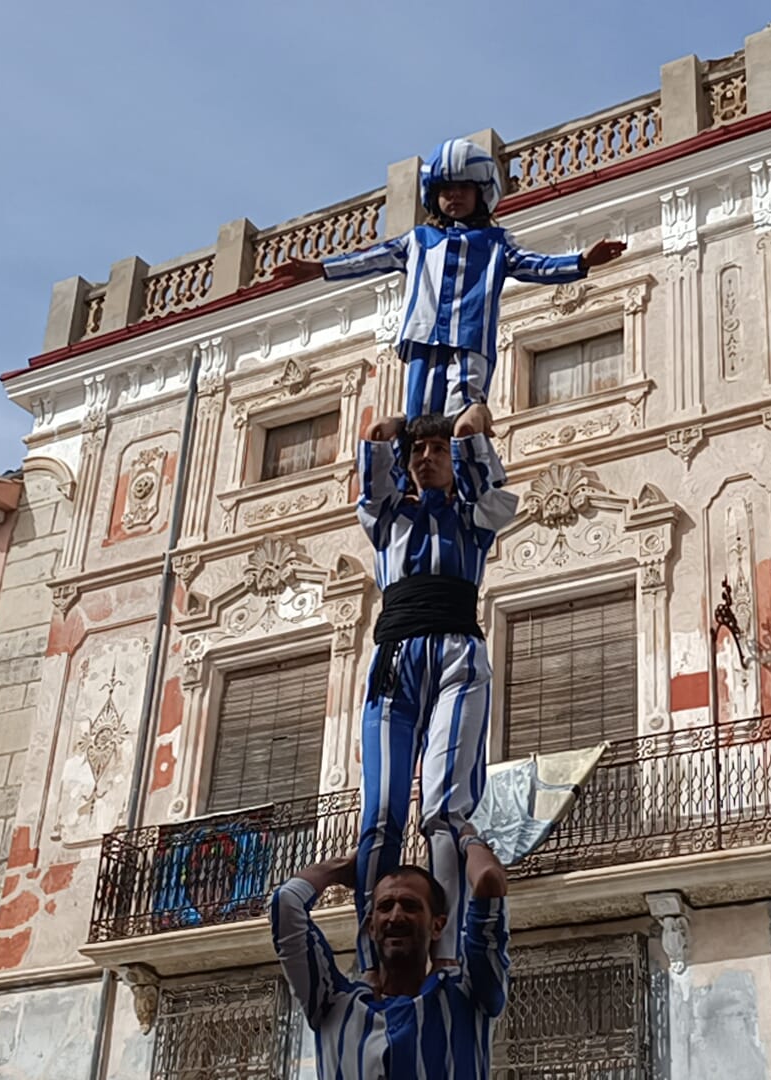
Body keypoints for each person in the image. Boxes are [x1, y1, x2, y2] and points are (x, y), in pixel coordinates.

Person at [271, 137, 625, 431]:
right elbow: (370, 258)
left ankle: (465, 476)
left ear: (480, 193)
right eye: (446, 190)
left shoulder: (495, 243)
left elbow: (536, 264)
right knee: (418, 417)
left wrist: (580, 262)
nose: (453, 197)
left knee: (462, 411)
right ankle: (412, 479)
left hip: (469, 339)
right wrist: (321, 268)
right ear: (433, 195)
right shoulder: (418, 240)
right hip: (423, 339)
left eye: (462, 189)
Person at [352, 411, 516, 971]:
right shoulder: (387, 518)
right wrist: (403, 427)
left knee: (446, 811)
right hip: (396, 661)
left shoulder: (475, 518)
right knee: (381, 813)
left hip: (457, 654)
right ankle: (371, 955)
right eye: (419, 450)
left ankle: (445, 953)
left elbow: (497, 492)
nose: (427, 457)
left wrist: (469, 433)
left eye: (438, 450)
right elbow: (374, 445)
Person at [272, 841, 510, 1079]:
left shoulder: (466, 996)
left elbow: (489, 880)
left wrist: (468, 838)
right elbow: (285, 903)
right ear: (371, 928)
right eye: (385, 907)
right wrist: (341, 867)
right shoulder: (333, 1004)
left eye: (410, 906)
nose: (396, 917)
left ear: (437, 926)